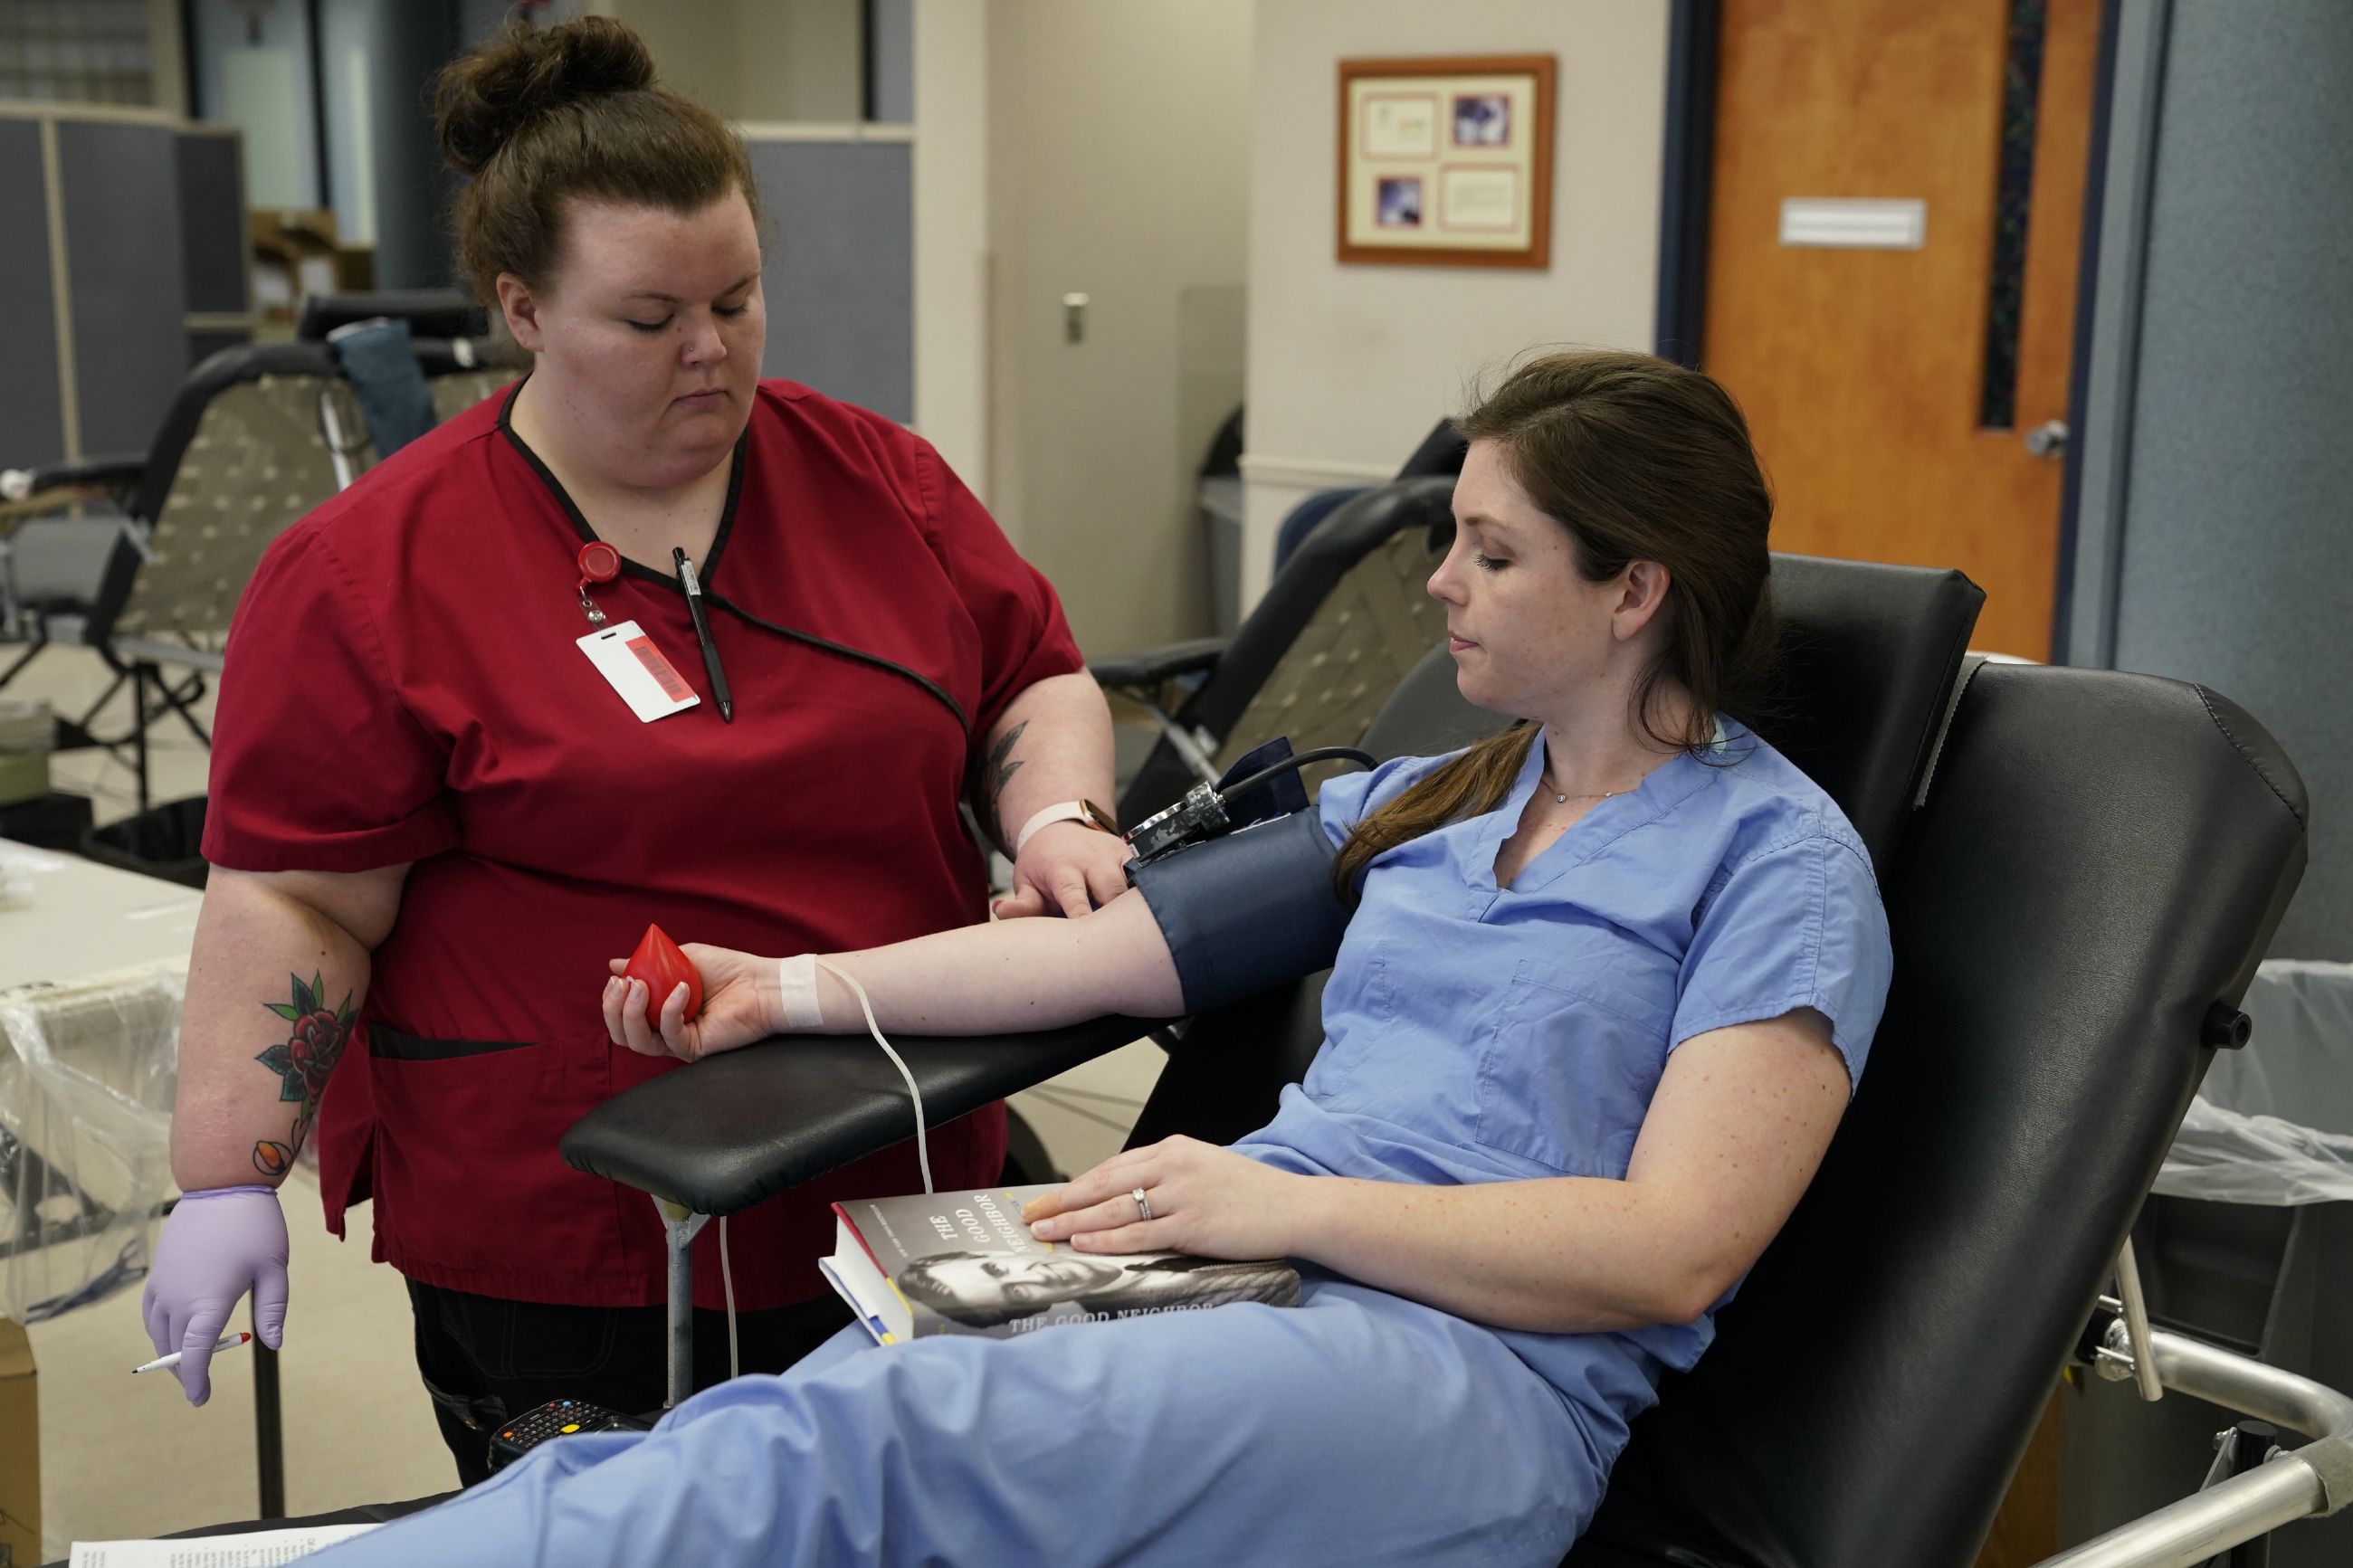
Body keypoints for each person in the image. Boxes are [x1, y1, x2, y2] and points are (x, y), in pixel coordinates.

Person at [302, 348, 1894, 1566]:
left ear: (1635, 587)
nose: (1437, 581)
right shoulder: (1433, 798)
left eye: (1490, 551)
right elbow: (1099, 959)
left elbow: (1678, 1246)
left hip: (1472, 1371)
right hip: (1247, 1278)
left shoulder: (1776, 864)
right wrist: (773, 989)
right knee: (808, 1413)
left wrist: (1289, 1201)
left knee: (882, 1451)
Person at [139, 16, 1130, 1480]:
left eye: (738, 299)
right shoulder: (370, 573)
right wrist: (227, 1171)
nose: (710, 350)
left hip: (895, 1154)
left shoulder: (879, 481)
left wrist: (1057, 819)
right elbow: (298, 896)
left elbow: (1031, 681)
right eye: (650, 317)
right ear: (522, 308)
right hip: (573, 1226)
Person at [896, 1250, 1300, 1330]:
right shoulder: (1148, 1318)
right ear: (1029, 1313)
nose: (1034, 1277)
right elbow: (1286, 1284)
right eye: (1016, 1294)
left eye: (998, 1268)